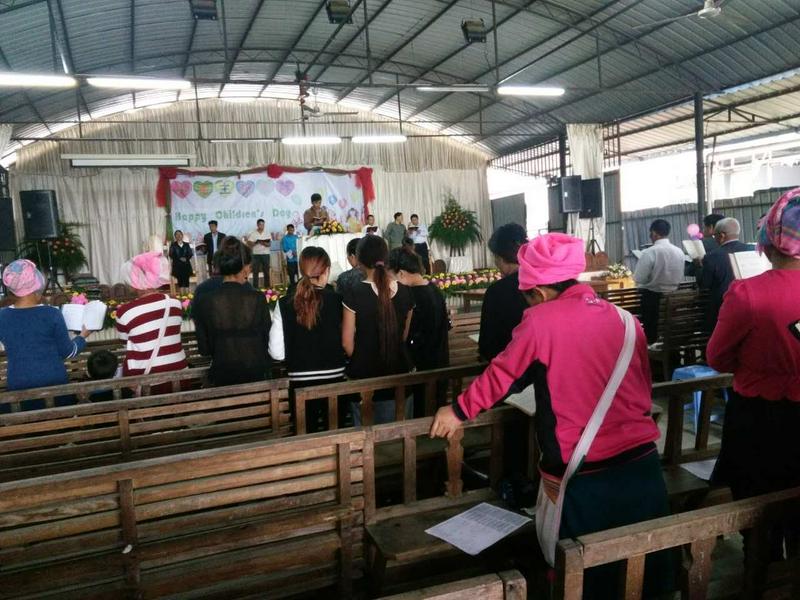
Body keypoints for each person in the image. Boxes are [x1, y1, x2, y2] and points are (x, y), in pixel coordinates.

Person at [430, 233, 671, 599]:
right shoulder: (626, 321)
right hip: (642, 467)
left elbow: (502, 376)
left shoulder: (541, 322)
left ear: (538, 293)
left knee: (583, 575)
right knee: (640, 569)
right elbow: (641, 386)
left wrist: (457, 410)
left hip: (583, 476)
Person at [708, 188, 800, 563]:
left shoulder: (748, 294)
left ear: (770, 239)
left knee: (758, 509)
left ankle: (759, 571)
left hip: (759, 420)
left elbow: (717, 357)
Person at [269, 247, 347, 431]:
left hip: (300, 384)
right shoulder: (338, 300)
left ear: (301, 271)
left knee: (306, 438)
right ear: (327, 270)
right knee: (336, 435)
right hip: (335, 380)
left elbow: (277, 353)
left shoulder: (284, 303)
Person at [342, 235, 414, 424]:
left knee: (365, 445)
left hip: (364, 379)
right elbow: (404, 336)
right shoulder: (405, 291)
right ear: (386, 256)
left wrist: (364, 358)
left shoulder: (354, 292)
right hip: (400, 375)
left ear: (358, 259)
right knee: (399, 440)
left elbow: (347, 343)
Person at [0, 259, 91, 409]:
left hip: (18, 384)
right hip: (54, 385)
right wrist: (82, 336)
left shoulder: (2, 316)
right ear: (36, 286)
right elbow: (68, 353)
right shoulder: (52, 314)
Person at [193, 236, 271, 386]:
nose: (250, 269)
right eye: (249, 265)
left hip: (222, 377)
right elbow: (266, 340)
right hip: (256, 378)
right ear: (244, 267)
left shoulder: (205, 300)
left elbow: (204, 349)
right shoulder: (257, 298)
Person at [115, 252, 188, 392]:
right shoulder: (175, 304)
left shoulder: (125, 312)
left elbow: (126, 342)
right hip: (181, 376)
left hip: (146, 383)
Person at [389, 246, 449, 416]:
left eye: (391, 277)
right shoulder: (433, 289)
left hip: (420, 367)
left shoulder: (410, 295)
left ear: (401, 274)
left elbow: (406, 335)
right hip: (439, 361)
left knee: (420, 413)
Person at [479, 223, 529, 361]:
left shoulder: (496, 292)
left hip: (509, 370)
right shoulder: (545, 284)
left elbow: (486, 345)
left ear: (499, 258)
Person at [633, 219, 685, 344]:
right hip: (675, 300)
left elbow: (639, 278)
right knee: (670, 331)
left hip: (652, 301)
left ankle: (651, 350)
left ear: (654, 233)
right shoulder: (679, 252)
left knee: (649, 333)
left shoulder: (650, 252)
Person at [699, 217, 750, 332]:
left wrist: (699, 267)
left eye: (715, 235)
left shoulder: (712, 257)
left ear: (721, 235)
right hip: (749, 308)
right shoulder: (751, 251)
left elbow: (704, 284)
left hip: (721, 310)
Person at [687, 213, 724, 280]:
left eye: (704, 227)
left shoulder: (702, 243)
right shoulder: (728, 241)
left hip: (709, 286)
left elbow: (691, 270)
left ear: (711, 227)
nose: (703, 230)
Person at [245, 218, 271, 289]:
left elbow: (269, 244)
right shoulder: (253, 233)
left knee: (266, 270)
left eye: (263, 224)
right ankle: (255, 287)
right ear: (257, 225)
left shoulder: (267, 232)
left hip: (265, 254)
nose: (262, 226)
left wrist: (262, 242)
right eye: (260, 224)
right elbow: (249, 244)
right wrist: (256, 242)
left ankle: (267, 286)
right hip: (256, 254)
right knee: (255, 271)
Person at [168, 230, 194, 294]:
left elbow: (190, 254)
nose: (178, 235)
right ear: (175, 236)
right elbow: (171, 254)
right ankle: (182, 294)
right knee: (180, 276)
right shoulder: (173, 245)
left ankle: (187, 294)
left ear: (182, 236)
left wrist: (186, 258)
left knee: (186, 275)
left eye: (180, 234)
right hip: (177, 265)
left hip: (186, 264)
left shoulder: (186, 244)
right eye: (177, 234)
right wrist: (179, 258)